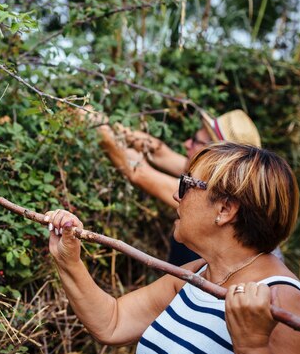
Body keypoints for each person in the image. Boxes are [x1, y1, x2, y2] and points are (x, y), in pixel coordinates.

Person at [44, 142, 300, 354]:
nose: (177, 195)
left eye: (186, 185)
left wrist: (253, 347)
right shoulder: (198, 274)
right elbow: (112, 322)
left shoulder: (282, 298)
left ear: (224, 210)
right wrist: (69, 261)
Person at [82, 108, 274, 265]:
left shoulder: (206, 193)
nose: (186, 143)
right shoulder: (211, 179)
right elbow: (158, 152)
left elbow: (138, 172)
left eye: (196, 141)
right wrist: (105, 121)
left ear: (216, 156)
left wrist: (102, 133)